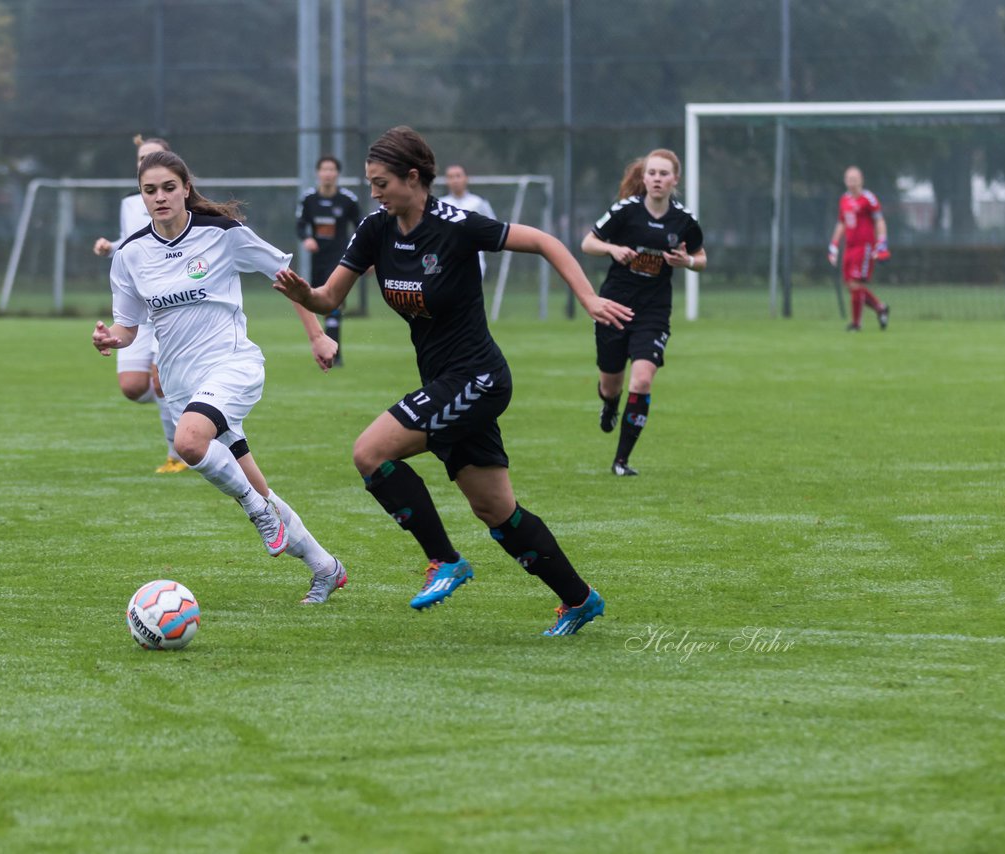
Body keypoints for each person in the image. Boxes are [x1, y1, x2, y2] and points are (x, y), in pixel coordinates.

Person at [274, 126, 633, 635]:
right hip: (447, 382)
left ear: (414, 178)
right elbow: (329, 297)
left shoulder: (459, 226)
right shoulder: (376, 229)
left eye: (381, 182)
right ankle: (579, 600)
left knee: (370, 452)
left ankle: (445, 560)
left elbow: (546, 241)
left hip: (479, 378)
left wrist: (589, 299)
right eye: (370, 182)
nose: (374, 192)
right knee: (497, 510)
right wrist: (302, 296)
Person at [92, 149, 347, 604]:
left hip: (233, 365)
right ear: (141, 197)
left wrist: (316, 336)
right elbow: (128, 327)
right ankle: (325, 567)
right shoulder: (130, 254)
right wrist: (111, 339)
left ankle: (257, 513)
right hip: (181, 385)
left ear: (186, 188)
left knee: (189, 443)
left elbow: (284, 277)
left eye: (169, 187)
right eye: (150, 190)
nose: (160, 197)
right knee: (257, 485)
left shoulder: (222, 234)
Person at [582, 150, 706, 478]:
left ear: (674, 180)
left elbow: (701, 257)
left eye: (664, 174)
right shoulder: (625, 211)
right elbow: (588, 243)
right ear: (644, 177)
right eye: (652, 173)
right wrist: (612, 248)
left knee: (642, 380)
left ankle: (621, 461)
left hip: (653, 311)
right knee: (611, 385)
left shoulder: (683, 220)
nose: (657, 179)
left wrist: (688, 262)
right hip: (615, 305)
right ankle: (609, 404)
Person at [93, 135, 188, 474]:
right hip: (138, 307)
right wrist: (110, 246)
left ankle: (177, 454)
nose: (144, 162)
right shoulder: (130, 203)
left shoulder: (177, 201)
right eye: (140, 158)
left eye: (151, 155)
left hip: (171, 306)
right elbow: (132, 242)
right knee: (134, 387)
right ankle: (187, 400)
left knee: (161, 380)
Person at [295, 155, 361, 366]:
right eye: (324, 169)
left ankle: (334, 354)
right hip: (318, 260)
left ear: (337, 174)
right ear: (318, 173)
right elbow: (300, 225)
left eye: (332, 170)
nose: (328, 174)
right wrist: (307, 239)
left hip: (340, 259)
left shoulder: (348, 200)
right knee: (320, 305)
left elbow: (361, 227)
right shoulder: (308, 199)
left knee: (334, 305)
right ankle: (327, 348)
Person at [828, 166, 890, 332]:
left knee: (855, 284)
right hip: (849, 247)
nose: (851, 183)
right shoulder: (844, 200)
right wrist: (834, 245)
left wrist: (882, 242)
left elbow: (879, 221)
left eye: (854, 179)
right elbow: (841, 223)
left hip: (865, 247)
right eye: (849, 179)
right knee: (851, 286)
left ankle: (856, 324)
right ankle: (880, 308)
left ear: (861, 180)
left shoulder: (868, 199)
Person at [438, 163, 497, 276]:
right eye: (451, 177)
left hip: (474, 258)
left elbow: (492, 226)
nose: (455, 180)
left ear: (466, 178)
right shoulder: (440, 204)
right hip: (446, 259)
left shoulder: (478, 202)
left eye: (458, 176)